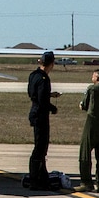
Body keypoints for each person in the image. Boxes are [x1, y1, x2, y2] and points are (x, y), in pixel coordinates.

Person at [26, 50, 61, 189]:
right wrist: (53, 108)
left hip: (34, 112)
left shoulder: (33, 75)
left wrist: (49, 95)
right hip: (40, 114)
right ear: (51, 64)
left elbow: (32, 93)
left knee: (40, 147)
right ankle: (35, 180)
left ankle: (42, 177)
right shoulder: (44, 79)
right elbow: (41, 100)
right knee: (40, 148)